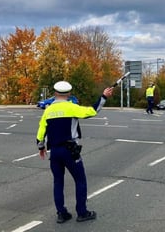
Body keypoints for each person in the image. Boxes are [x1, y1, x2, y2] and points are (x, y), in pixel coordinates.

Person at [36, 81, 113, 224]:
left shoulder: (48, 110)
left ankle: (61, 213)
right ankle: (82, 212)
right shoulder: (72, 107)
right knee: (80, 180)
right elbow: (92, 111)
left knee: (58, 182)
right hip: (70, 151)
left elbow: (41, 131)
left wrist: (41, 148)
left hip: (55, 152)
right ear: (69, 94)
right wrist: (104, 96)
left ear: (55, 94)